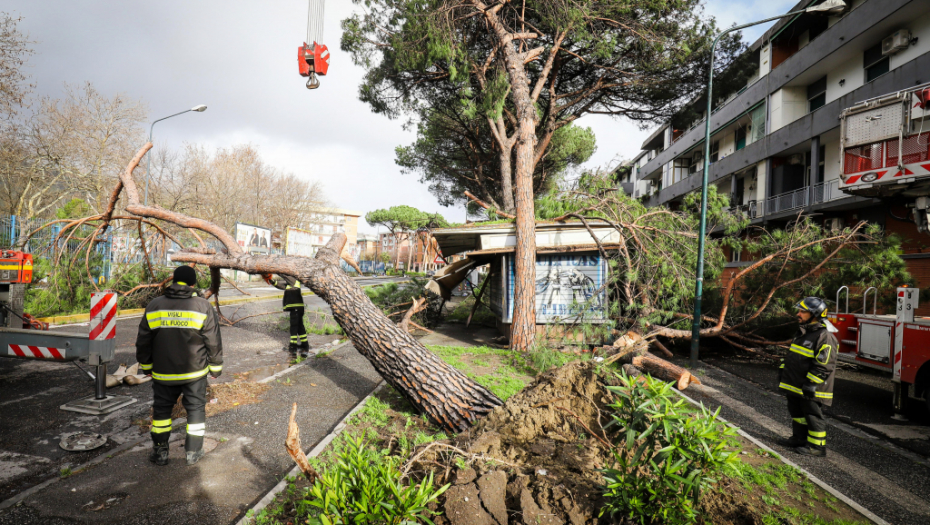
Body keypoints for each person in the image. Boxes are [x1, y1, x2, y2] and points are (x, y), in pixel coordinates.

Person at [137, 266, 222, 466]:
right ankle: (193, 452)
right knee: (195, 410)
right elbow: (213, 340)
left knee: (161, 413)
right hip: (194, 373)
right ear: (192, 284)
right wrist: (216, 367)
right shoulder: (203, 306)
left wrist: (146, 366)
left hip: (163, 373)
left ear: (173, 281)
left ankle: (160, 452)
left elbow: (143, 340)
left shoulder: (155, 305)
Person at [777, 296, 838, 457]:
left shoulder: (824, 336)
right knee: (797, 413)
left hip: (812, 388)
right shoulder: (804, 332)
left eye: (802, 311)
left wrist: (812, 383)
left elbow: (825, 364)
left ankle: (817, 447)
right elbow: (793, 356)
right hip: (796, 385)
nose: (798, 314)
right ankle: (799, 439)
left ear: (814, 314)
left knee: (812, 416)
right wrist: (783, 371)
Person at [263, 273, 309, 358]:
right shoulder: (289, 284)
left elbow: (284, 275)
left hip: (296, 308)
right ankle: (305, 346)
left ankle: (293, 348)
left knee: (294, 328)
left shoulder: (294, 281)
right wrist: (271, 281)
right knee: (299, 328)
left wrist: (274, 270)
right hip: (296, 308)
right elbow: (280, 285)